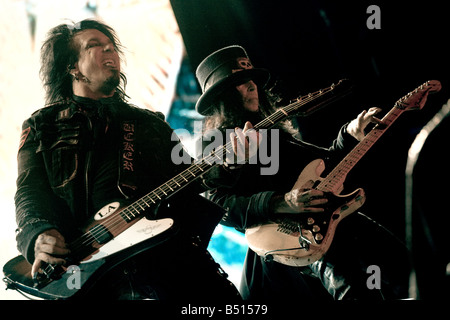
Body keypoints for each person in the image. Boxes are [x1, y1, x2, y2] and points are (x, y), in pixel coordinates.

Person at [13, 19, 242, 300]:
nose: (109, 49)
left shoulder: (149, 123)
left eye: (111, 45)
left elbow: (192, 179)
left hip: (167, 264)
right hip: (94, 276)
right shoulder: (42, 126)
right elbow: (29, 192)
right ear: (71, 67)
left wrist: (229, 164)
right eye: (94, 45)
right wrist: (37, 234)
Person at [195, 45, 411, 300]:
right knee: (355, 289)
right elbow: (219, 206)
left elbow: (323, 166)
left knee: (408, 267)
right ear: (222, 96)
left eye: (251, 78)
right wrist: (280, 202)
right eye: (239, 82)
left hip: (331, 216)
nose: (252, 85)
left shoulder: (274, 130)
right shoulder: (214, 142)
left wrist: (351, 133)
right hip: (291, 238)